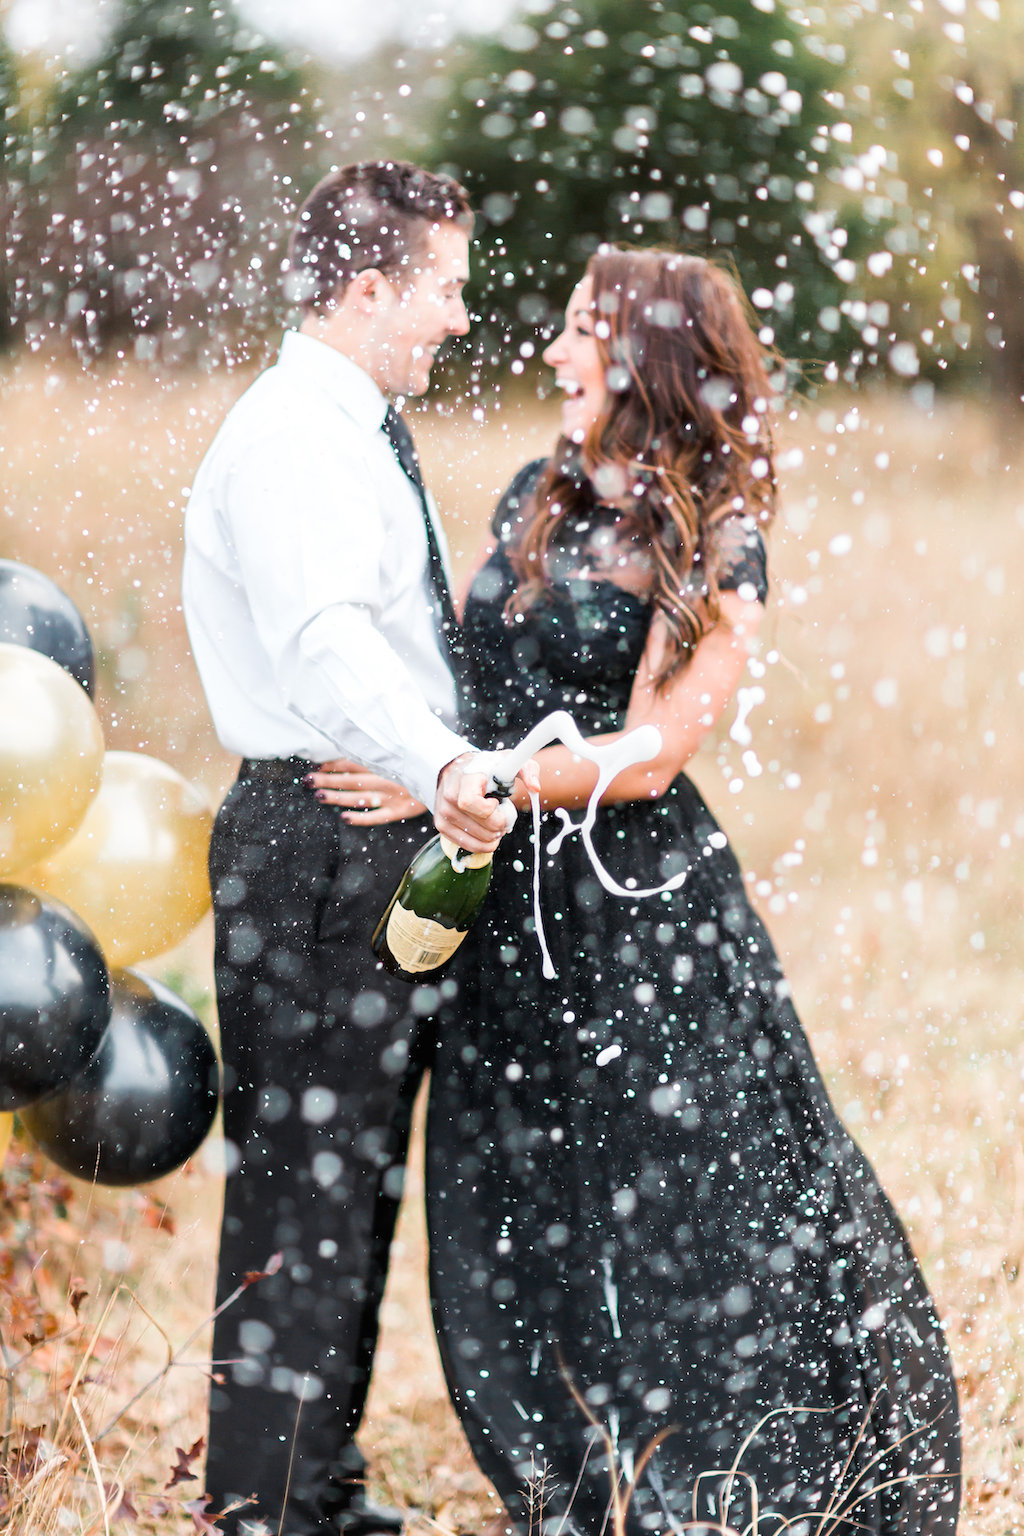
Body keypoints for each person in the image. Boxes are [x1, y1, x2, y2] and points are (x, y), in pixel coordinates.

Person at [320, 246, 961, 1533]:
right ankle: (570, 1480)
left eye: (579, 331)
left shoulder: (718, 532)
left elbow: (662, 744)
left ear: (647, 357)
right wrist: (418, 761)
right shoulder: (530, 497)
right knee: (508, 1194)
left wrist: (481, 778)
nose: (553, 351)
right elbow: (450, 673)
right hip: (500, 904)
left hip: (641, 915)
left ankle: (736, 1480)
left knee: (688, 1204)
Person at [182, 160, 526, 1536]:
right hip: (319, 835)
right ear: (368, 288)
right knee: (301, 1178)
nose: (459, 313)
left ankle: (307, 1481)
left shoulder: (356, 426)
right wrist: (435, 765)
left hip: (363, 829)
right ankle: (263, 1506)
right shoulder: (292, 442)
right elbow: (324, 643)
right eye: (441, 287)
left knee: (354, 1172)